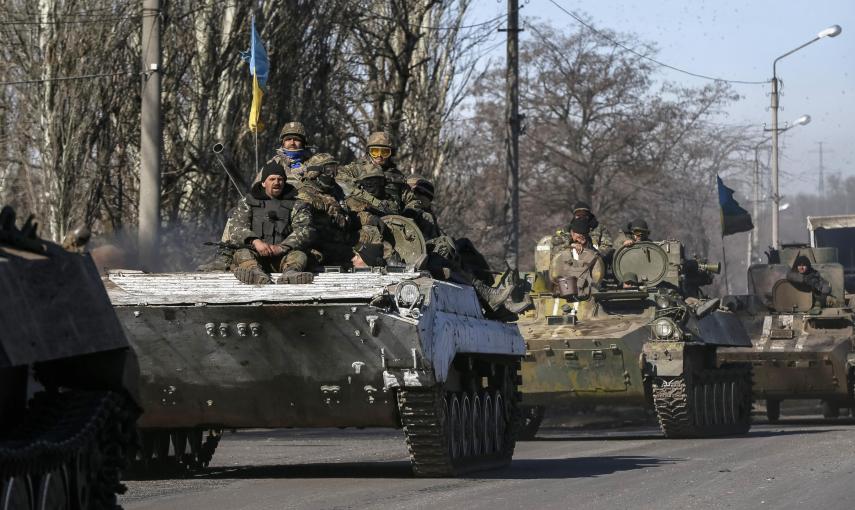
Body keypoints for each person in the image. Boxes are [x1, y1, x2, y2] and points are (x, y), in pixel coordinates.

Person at [227, 161, 316, 285]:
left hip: (283, 258)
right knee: (242, 253)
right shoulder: (247, 203)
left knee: (300, 255)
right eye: (272, 179)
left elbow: (305, 230)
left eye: (280, 179)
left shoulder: (297, 204)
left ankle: (291, 274)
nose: (276, 182)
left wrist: (281, 248)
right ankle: (254, 273)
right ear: (263, 182)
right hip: (256, 255)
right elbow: (236, 228)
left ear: (284, 182)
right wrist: (256, 242)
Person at [296, 153, 354, 268]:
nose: (332, 175)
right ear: (315, 173)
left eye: (335, 170)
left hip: (339, 242)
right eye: (328, 171)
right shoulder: (304, 194)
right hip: (318, 248)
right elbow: (303, 231)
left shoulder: (336, 190)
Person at [338, 131, 405, 205]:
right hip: (361, 212)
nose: (379, 156)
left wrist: (410, 211)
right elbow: (339, 179)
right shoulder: (356, 169)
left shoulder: (398, 176)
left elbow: (410, 199)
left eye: (384, 152)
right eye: (375, 151)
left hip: (392, 215)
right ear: (368, 152)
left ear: (391, 154)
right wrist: (360, 186)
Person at [550, 217, 603, 300]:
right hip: (561, 280)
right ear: (572, 232)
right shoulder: (561, 236)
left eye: (583, 237)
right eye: (578, 237)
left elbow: (596, 256)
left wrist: (586, 247)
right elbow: (556, 248)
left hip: (583, 283)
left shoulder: (587, 240)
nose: (580, 240)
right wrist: (571, 245)